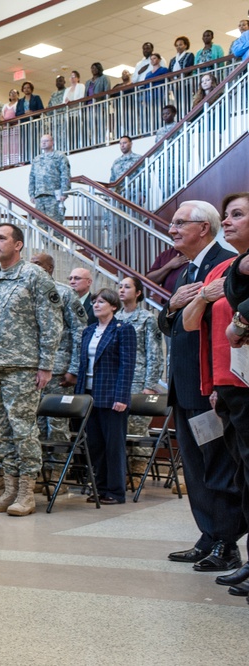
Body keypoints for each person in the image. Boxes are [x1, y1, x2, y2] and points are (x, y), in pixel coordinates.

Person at [158, 200, 244, 572]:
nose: (172, 229)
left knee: (218, 466)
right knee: (194, 467)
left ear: (203, 228)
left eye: (180, 223)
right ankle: (209, 535)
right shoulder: (185, 270)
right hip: (186, 385)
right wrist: (172, 306)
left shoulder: (227, 262)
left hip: (212, 384)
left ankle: (226, 541)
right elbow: (169, 324)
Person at [181, 193, 249, 590]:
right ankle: (226, 544)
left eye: (237, 215)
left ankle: (226, 541)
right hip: (226, 385)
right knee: (242, 473)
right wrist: (205, 296)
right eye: (227, 215)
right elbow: (191, 325)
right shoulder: (222, 269)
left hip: (243, 380)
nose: (229, 221)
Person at [0, 224, 62, 516]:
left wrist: (46, 365)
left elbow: (51, 322)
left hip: (22, 367)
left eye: (2, 238)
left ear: (18, 245)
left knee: (22, 429)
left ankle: (26, 491)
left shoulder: (34, 276)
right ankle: (9, 487)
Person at [74, 289, 136, 505]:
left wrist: (122, 397)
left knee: (113, 445)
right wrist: (78, 396)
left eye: (101, 302)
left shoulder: (123, 330)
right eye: (94, 302)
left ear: (114, 306)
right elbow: (83, 366)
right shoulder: (88, 331)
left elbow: (127, 366)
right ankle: (99, 488)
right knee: (96, 446)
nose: (96, 305)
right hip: (90, 395)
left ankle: (116, 491)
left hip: (111, 395)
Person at [29, 254, 86, 445]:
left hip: (58, 370)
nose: (32, 267)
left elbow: (80, 332)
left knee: (57, 423)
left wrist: (74, 368)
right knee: (33, 423)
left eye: (37, 264)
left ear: (50, 268)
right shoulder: (25, 292)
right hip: (29, 367)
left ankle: (59, 468)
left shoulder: (64, 293)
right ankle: (40, 470)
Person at [116, 276, 164, 471]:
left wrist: (150, 385)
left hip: (138, 380)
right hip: (118, 381)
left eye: (127, 287)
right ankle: (122, 469)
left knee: (137, 427)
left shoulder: (146, 319)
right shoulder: (115, 318)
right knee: (120, 428)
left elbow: (154, 353)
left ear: (137, 293)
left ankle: (138, 468)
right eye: (119, 287)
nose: (121, 290)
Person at [28, 134, 71, 224]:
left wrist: (64, 192)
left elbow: (65, 175)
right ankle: (43, 239)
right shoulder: (37, 159)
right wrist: (31, 194)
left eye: (46, 141)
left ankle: (56, 238)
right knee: (40, 223)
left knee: (55, 223)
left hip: (54, 195)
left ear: (52, 142)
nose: (43, 143)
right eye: (42, 141)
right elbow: (32, 177)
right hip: (39, 196)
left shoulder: (59, 156)